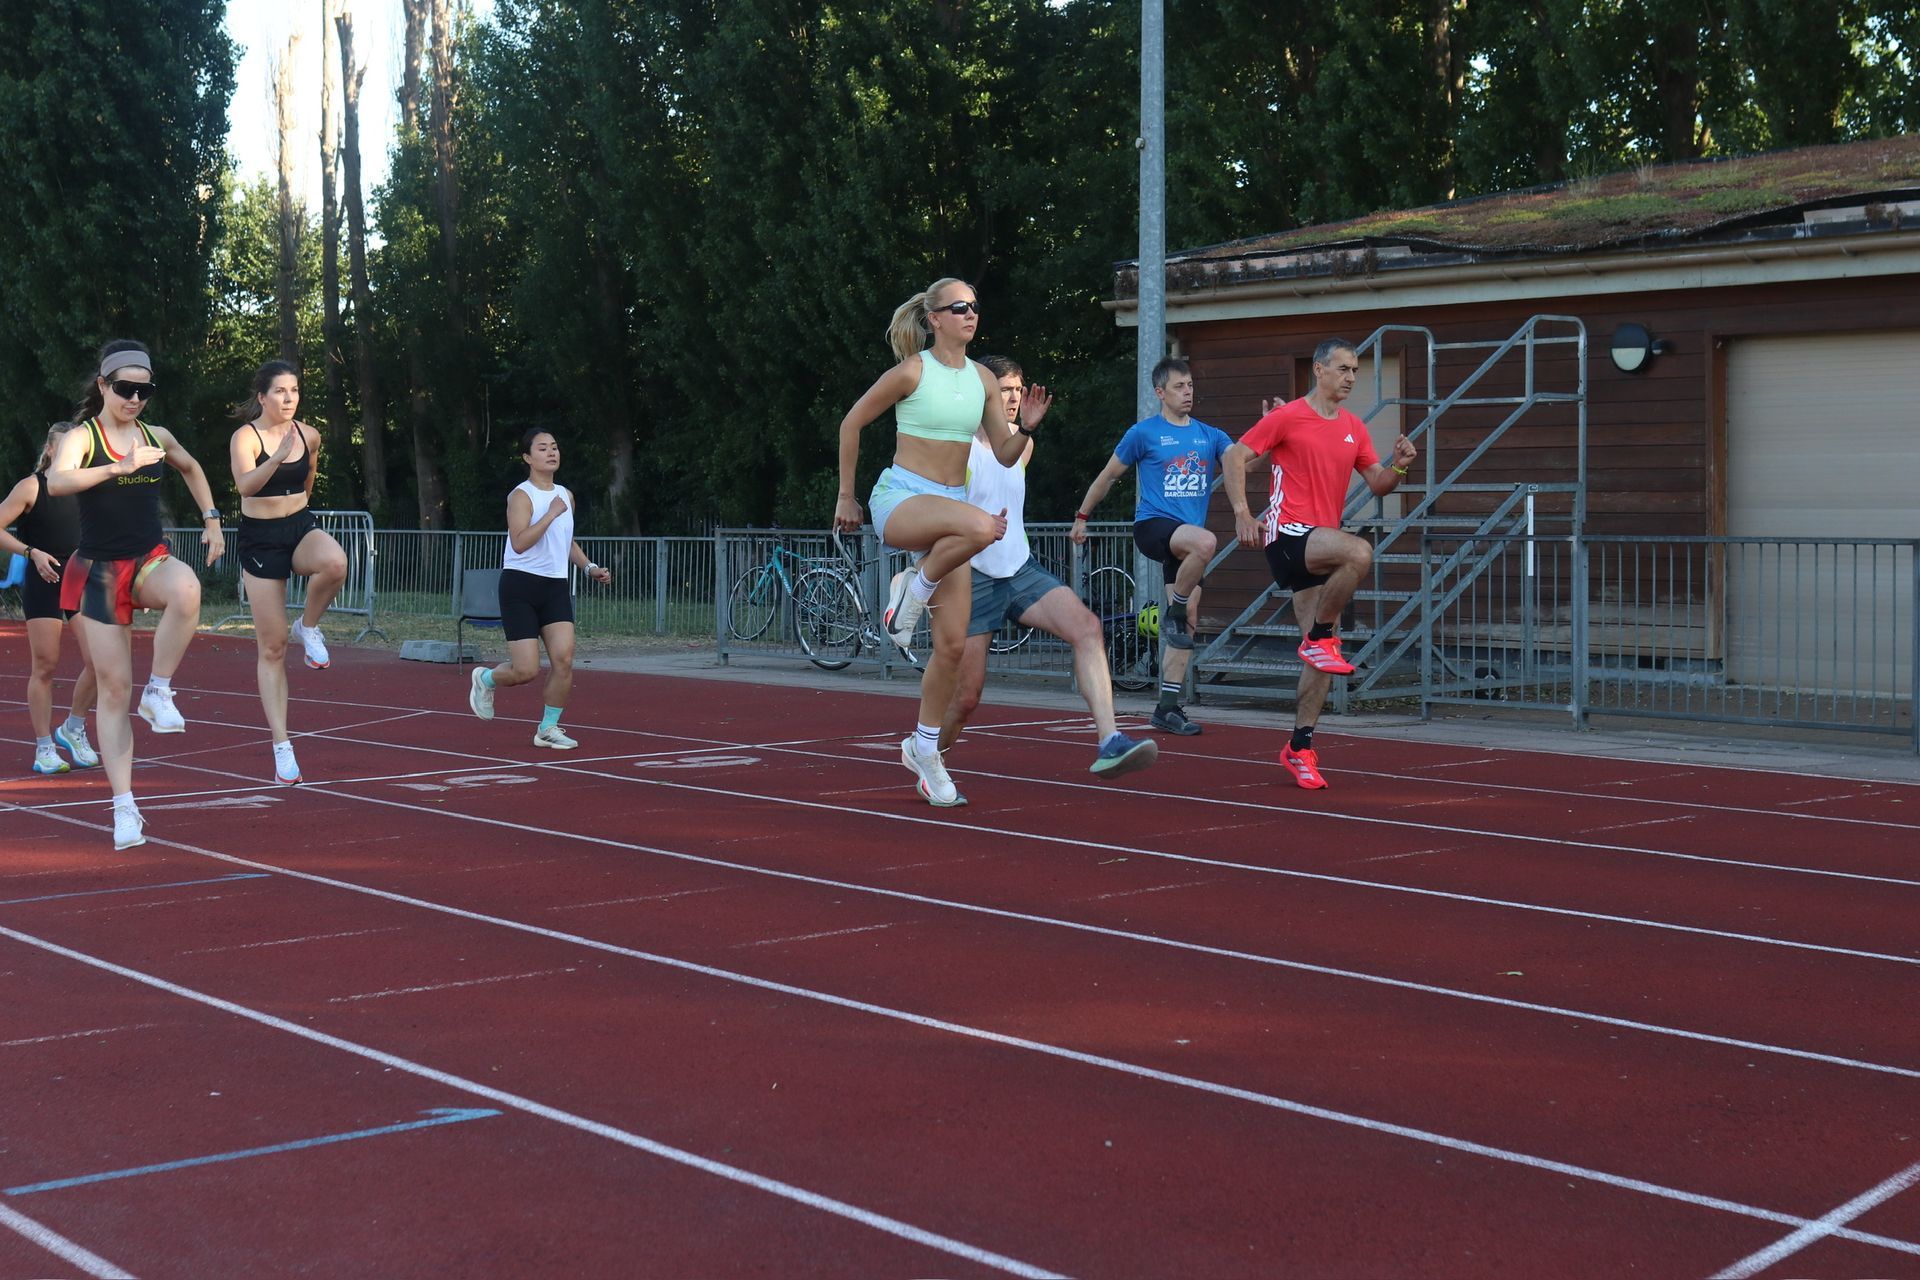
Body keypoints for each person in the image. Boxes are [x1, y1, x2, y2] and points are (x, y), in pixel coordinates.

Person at [834, 277, 1018, 808]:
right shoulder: (913, 371)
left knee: (953, 647)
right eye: (959, 307)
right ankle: (912, 588)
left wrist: (1026, 428)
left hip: (950, 508)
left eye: (974, 305)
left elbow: (1005, 453)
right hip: (904, 498)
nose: (970, 313)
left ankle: (925, 748)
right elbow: (851, 423)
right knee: (982, 527)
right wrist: (846, 496)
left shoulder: (983, 379)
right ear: (934, 318)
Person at [937, 356, 1158, 779]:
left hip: (1019, 569)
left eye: (1018, 389)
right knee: (966, 697)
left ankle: (1110, 740)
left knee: (1087, 627)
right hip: (972, 575)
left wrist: (1025, 430)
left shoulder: (1024, 445)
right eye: (1004, 389)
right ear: (983, 393)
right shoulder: (958, 446)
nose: (1014, 397)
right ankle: (932, 756)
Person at [47, 340, 225, 849]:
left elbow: (191, 467)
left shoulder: (156, 435)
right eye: (125, 389)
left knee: (187, 588)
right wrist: (118, 466)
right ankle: (125, 806)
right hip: (100, 570)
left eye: (145, 391)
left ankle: (160, 691)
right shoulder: (83, 436)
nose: (135, 399)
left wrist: (212, 519)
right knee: (112, 688)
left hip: (148, 559)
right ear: (104, 385)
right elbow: (57, 482)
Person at [1222, 337, 1417, 789]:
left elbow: (1378, 483)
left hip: (1318, 546)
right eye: (1343, 369)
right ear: (1319, 370)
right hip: (1286, 534)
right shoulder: (1288, 416)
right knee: (1359, 552)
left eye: (1355, 371)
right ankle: (1319, 638)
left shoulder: (1354, 427)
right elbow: (1234, 455)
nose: (1351, 378)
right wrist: (1242, 513)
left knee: (1323, 658)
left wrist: (1399, 466)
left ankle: (1300, 746)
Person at [1070, 356, 1233, 736]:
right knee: (1206, 542)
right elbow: (1108, 476)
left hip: (1187, 547)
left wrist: (1270, 431)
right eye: (1179, 386)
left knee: (1188, 621)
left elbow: (1242, 462)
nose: (1187, 392)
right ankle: (1173, 610)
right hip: (1154, 526)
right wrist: (1082, 517)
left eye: (1190, 385)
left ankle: (1167, 707)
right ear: (1160, 392)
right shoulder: (1143, 433)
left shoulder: (1209, 435)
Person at [228, 360, 349, 784]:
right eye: (280, 391)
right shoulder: (245, 437)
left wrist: (299, 508)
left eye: (294, 390)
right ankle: (282, 745)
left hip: (298, 526)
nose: (289, 398)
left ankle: (308, 626)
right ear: (262, 396)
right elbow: (245, 486)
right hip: (260, 539)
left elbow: (309, 474)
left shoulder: (309, 434)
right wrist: (277, 457)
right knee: (273, 647)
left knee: (336, 563)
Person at [466, 429, 612, 747]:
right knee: (526, 670)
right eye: (542, 448)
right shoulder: (521, 496)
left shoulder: (566, 496)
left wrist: (588, 567)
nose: (551, 452)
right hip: (520, 585)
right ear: (528, 458)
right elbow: (519, 543)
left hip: (555, 586)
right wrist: (550, 514)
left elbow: (565, 540)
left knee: (564, 660)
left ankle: (548, 728)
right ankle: (486, 678)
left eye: (554, 447)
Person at [0, 422, 99, 775]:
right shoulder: (31, 486)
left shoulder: (89, 488)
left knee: (101, 662)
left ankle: (73, 726)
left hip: (81, 578)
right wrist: (31, 552)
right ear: (51, 450)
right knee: (45, 666)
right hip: (45, 579)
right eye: (65, 446)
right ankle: (44, 747)